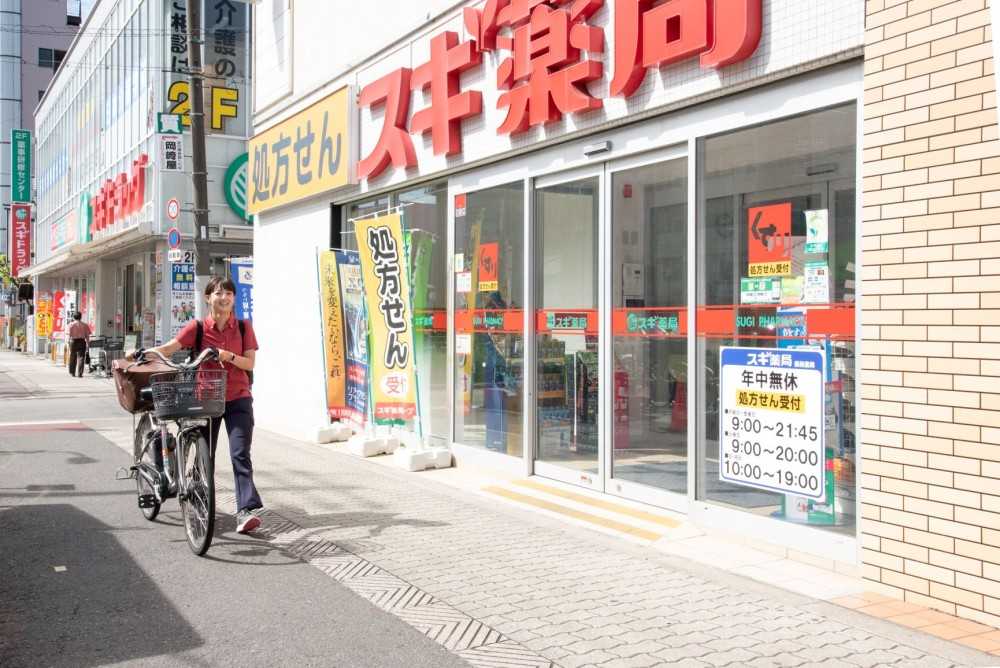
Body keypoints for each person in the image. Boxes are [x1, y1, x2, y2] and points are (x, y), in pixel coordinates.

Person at [129, 276, 263, 534]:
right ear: (208, 297)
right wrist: (143, 353)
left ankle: (245, 510)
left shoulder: (244, 327)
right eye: (219, 293)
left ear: (234, 298)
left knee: (240, 454)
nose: (224, 298)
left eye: (229, 293)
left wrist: (227, 356)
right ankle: (200, 498)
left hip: (238, 398)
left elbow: (249, 363)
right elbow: (170, 348)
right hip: (206, 400)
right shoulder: (198, 328)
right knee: (205, 455)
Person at [67, 312, 90, 377]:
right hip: (82, 341)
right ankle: (80, 373)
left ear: (74, 317)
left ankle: (72, 372)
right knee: (81, 357)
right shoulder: (85, 325)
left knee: (72, 357)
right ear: (81, 317)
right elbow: (87, 336)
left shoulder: (71, 324)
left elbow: (69, 335)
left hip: (73, 341)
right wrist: (88, 344)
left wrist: (68, 342)